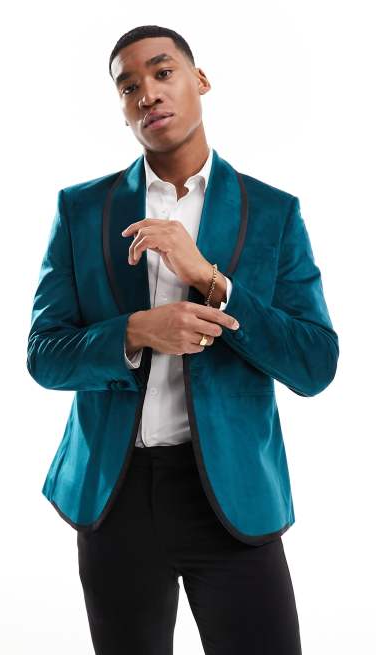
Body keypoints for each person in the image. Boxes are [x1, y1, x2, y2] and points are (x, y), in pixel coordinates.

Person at [26, 24, 339, 655]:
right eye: (128, 86)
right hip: (115, 498)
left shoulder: (272, 212)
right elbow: (44, 356)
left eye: (163, 72)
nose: (147, 93)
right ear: (122, 108)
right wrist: (135, 332)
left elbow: (314, 364)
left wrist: (212, 281)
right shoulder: (82, 210)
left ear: (200, 81)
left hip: (232, 499)